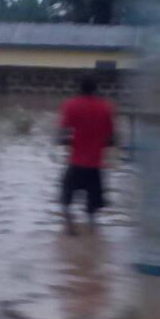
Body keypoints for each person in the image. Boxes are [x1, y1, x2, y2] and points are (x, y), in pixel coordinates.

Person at [57, 75, 116, 235]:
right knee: (93, 207)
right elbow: (111, 139)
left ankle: (69, 225)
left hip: (75, 162)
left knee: (65, 198)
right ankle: (92, 232)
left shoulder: (70, 106)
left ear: (79, 89)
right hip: (95, 165)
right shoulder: (105, 108)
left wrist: (71, 142)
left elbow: (61, 136)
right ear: (95, 90)